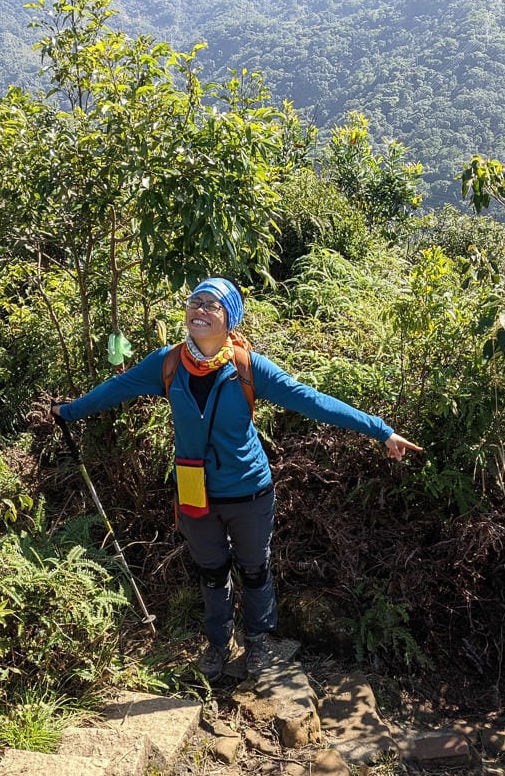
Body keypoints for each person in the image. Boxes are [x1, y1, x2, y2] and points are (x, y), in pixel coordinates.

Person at [52, 277, 421, 680]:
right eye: (196, 302)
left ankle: (258, 641)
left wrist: (380, 430)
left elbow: (313, 401)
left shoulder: (248, 367)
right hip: (194, 489)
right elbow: (115, 389)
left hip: (248, 488)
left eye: (212, 305)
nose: (200, 310)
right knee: (211, 571)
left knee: (254, 568)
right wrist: (68, 412)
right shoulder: (167, 363)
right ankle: (218, 643)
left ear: (231, 318)